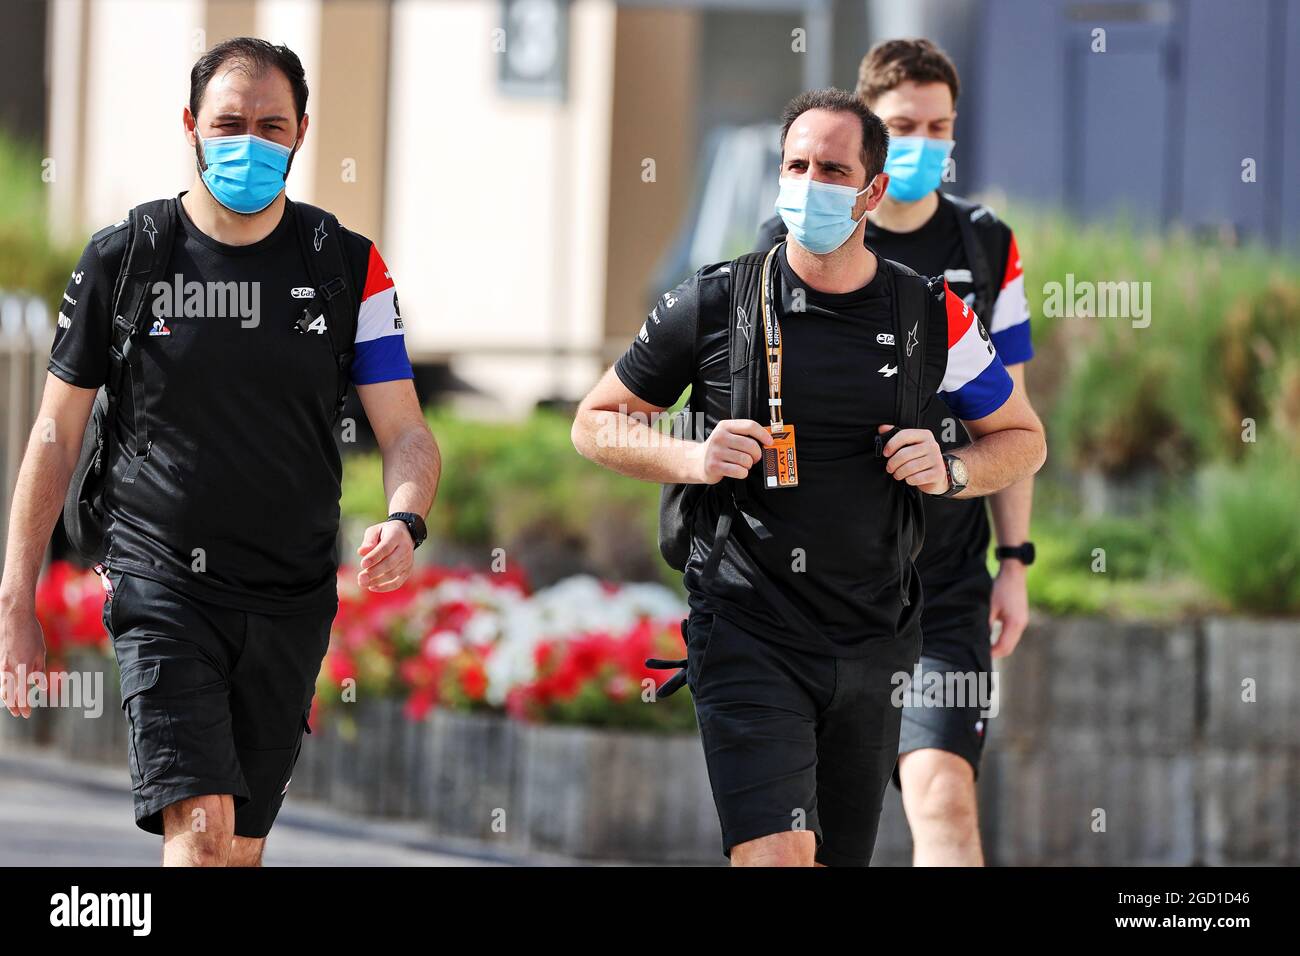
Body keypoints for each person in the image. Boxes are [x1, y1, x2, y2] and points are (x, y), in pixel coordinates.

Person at [573, 87, 1045, 867]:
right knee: (778, 854)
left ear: (872, 191)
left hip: (874, 639)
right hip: (746, 627)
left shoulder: (934, 314)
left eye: (832, 169)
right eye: (796, 165)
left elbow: (1022, 437)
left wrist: (953, 469)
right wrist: (691, 456)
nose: (808, 184)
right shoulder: (716, 300)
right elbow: (596, 421)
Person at [0, 37, 440, 866]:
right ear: (191, 129)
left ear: (302, 131)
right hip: (161, 582)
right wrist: (15, 597)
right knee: (200, 839)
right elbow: (54, 435)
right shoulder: (126, 258)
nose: (249, 142)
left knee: (235, 851)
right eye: (228, 123)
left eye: (271, 125)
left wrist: (405, 516)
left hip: (292, 594)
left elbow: (407, 430)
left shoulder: (348, 266)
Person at [754, 39, 1038, 866]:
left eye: (940, 126)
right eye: (904, 124)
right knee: (797, 836)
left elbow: (1014, 423)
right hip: (820, 582)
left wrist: (1014, 558)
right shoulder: (791, 236)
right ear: (868, 133)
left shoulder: (986, 245)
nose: (924, 143)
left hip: (943, 580)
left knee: (943, 795)